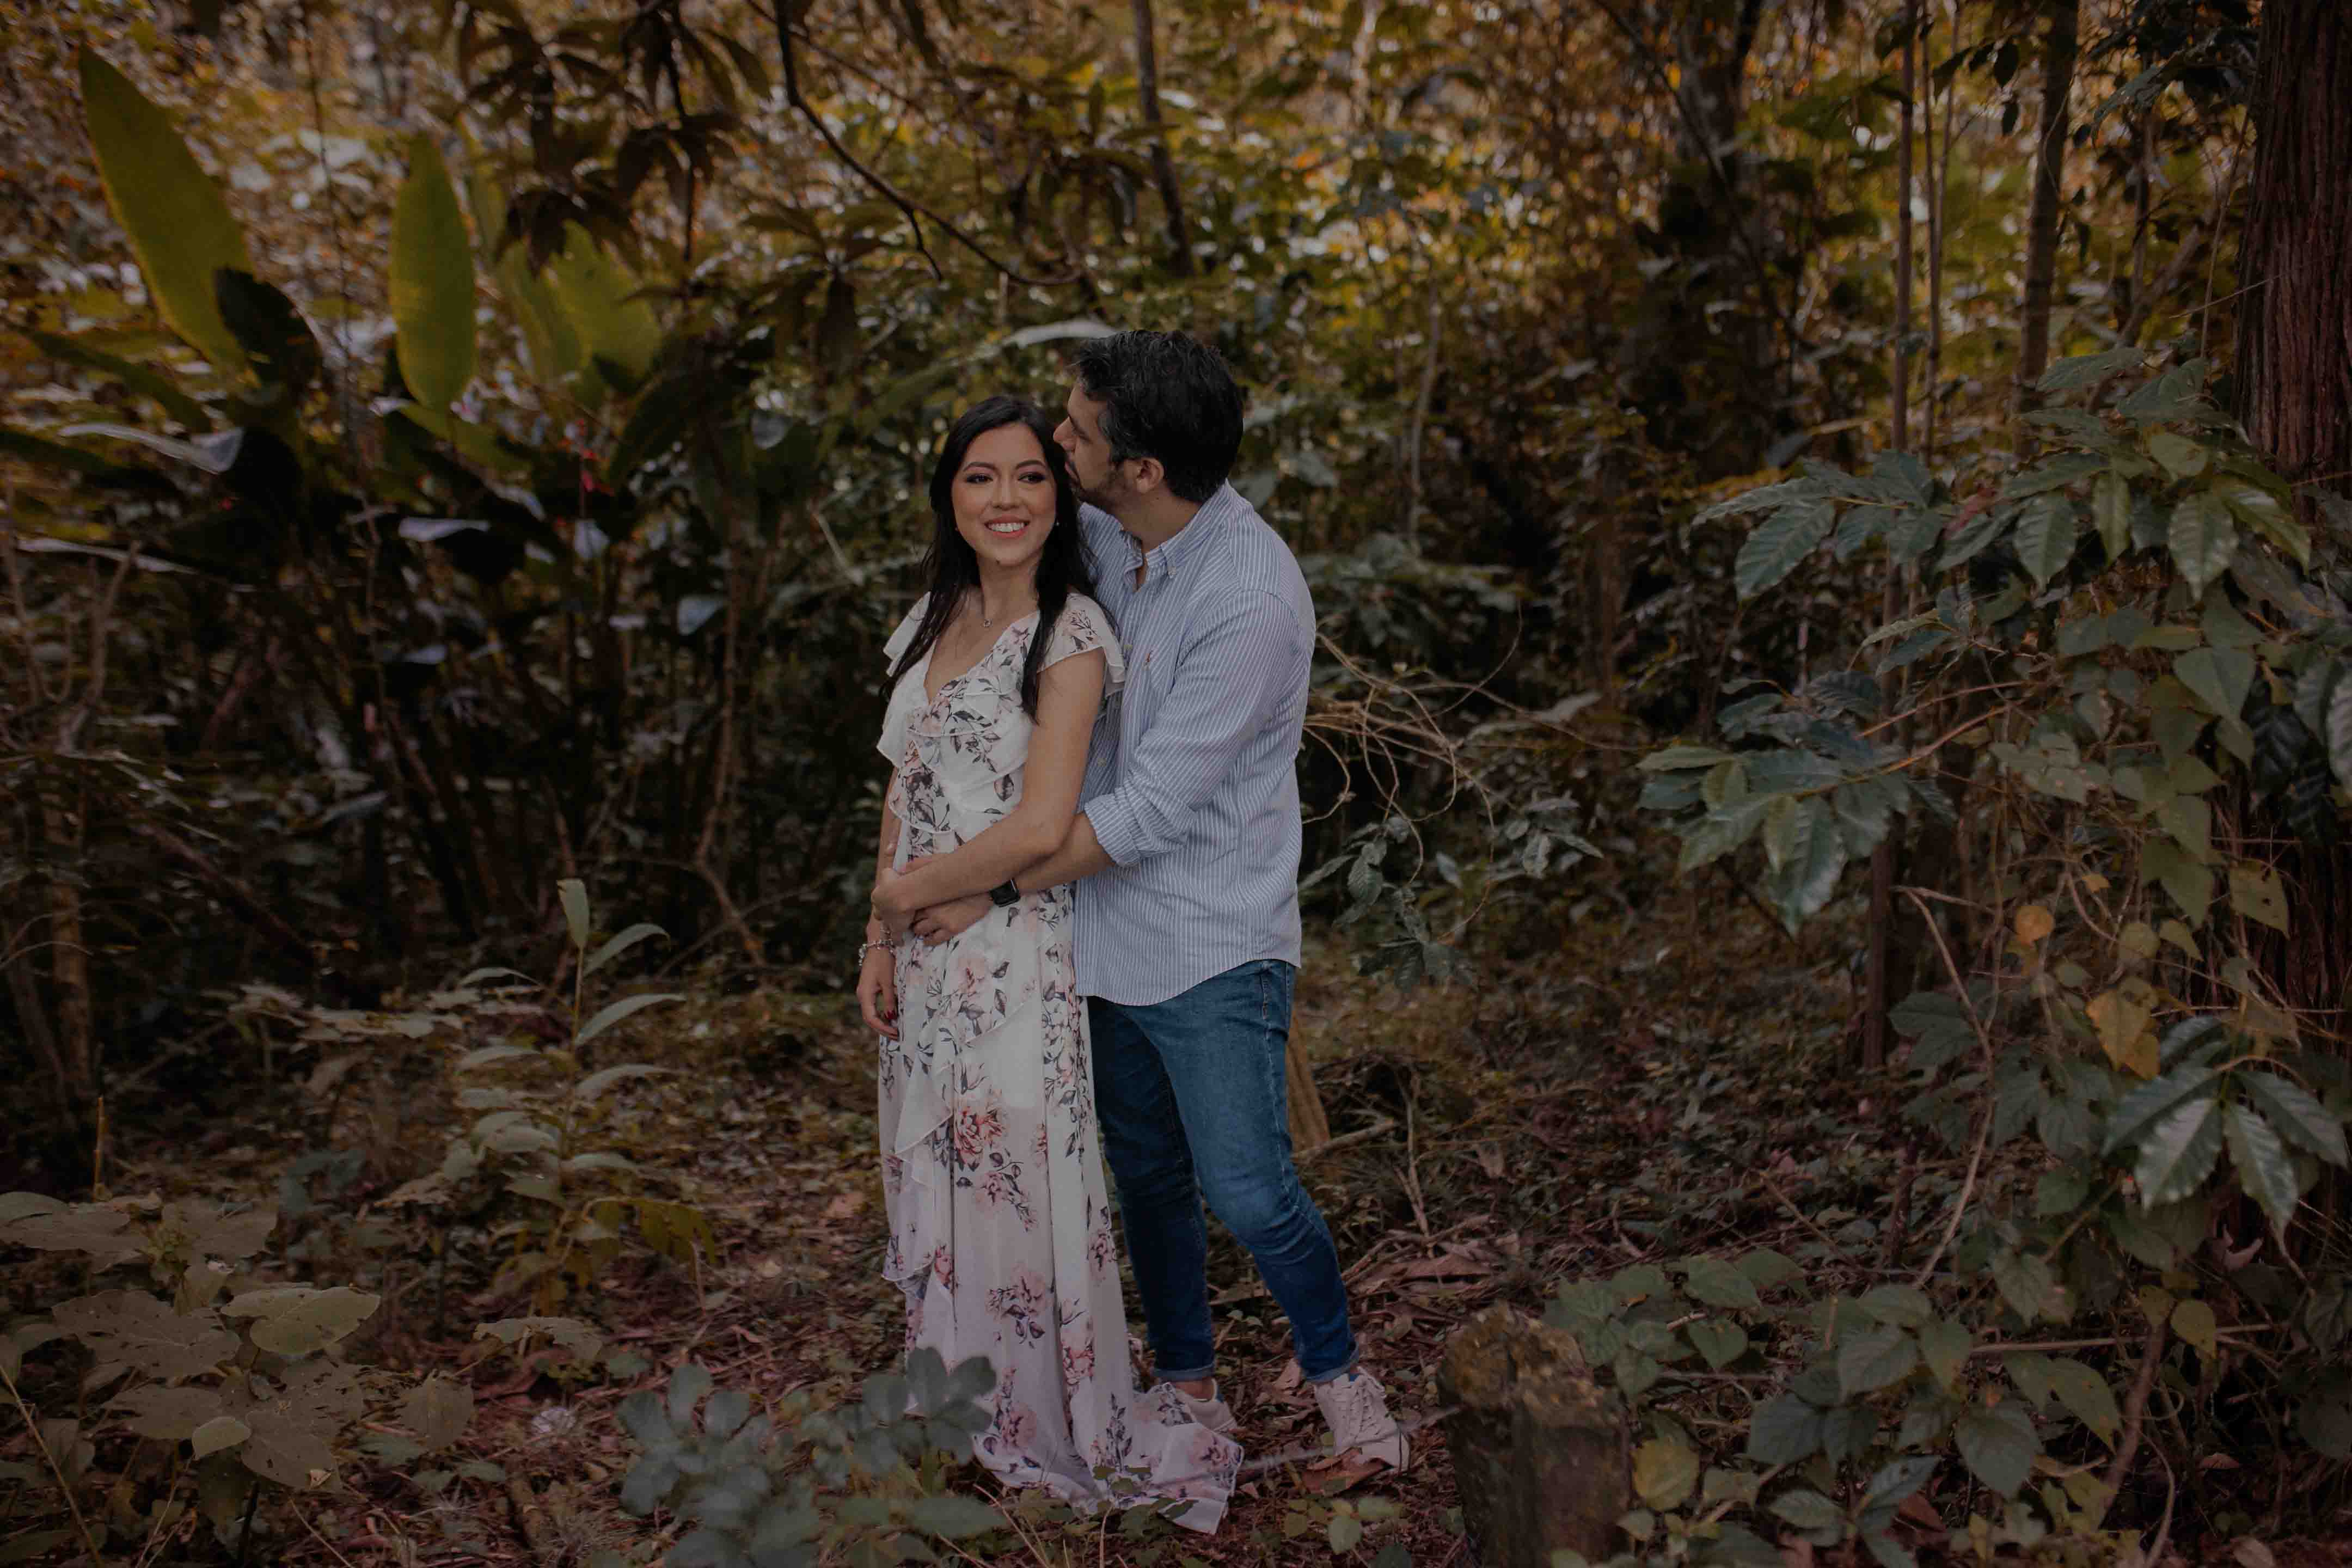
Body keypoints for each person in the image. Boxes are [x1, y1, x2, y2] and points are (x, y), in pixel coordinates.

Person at [897, 333, 1410, 1486]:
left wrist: (984, 881)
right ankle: (1188, 1383)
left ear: (1142, 469)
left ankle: (1347, 1390)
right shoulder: (1102, 532)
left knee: (1248, 1189)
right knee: (1144, 1174)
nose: (1057, 442)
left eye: (1074, 435)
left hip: (1210, 938)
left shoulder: (1250, 599)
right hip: (1090, 930)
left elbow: (1151, 810)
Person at [855, 395, 1239, 1529]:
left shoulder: (1070, 636)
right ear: (950, 496)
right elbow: (902, 787)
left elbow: (1041, 823)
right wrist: (878, 933)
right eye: (981, 477)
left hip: (1012, 951)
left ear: (1061, 498)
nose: (1008, 499)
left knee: (1013, 1177)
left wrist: (912, 893)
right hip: (925, 958)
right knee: (944, 1169)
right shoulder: (934, 616)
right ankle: (957, 1410)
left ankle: (1037, 1418)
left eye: (1031, 476)